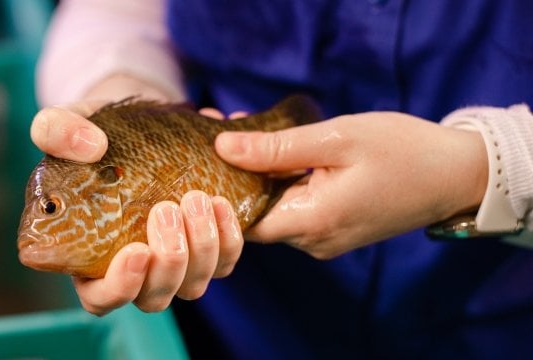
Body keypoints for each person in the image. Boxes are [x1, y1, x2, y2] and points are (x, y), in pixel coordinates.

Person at [31, 0, 533, 358]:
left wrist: (485, 166)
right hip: (243, 309)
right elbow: (121, 11)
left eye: (50, 211)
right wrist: (118, 85)